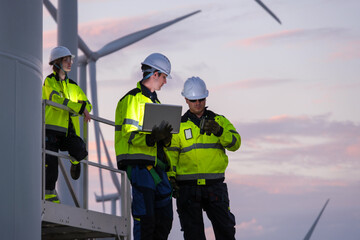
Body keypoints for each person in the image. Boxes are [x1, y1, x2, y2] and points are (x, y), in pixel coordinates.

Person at [166, 77, 241, 240]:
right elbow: (171, 155)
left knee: (226, 231)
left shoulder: (219, 121)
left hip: (214, 186)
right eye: (194, 100)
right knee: (193, 235)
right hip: (187, 188)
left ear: (206, 98)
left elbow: (236, 143)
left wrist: (220, 132)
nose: (198, 103)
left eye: (201, 99)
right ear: (186, 99)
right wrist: (170, 179)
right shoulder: (178, 125)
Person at [115, 53, 174, 240]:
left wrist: (164, 139)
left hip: (157, 166)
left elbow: (157, 141)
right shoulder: (133, 99)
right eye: (164, 77)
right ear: (154, 74)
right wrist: (151, 138)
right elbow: (129, 134)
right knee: (146, 220)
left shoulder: (155, 103)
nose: (165, 81)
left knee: (165, 220)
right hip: (140, 166)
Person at [42, 46, 92, 203]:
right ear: (56, 63)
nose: (70, 62)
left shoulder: (74, 86)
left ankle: (74, 162)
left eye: (70, 59)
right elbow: (56, 98)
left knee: (80, 150)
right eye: (66, 60)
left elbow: (88, 106)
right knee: (50, 167)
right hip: (51, 129)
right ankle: (50, 198)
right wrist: (77, 106)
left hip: (68, 130)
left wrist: (81, 107)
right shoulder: (49, 81)